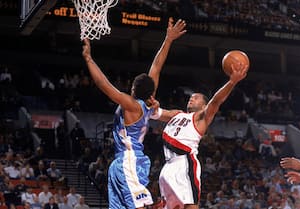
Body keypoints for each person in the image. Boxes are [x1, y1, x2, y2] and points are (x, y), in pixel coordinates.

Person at [82, 19, 186, 209]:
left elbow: (103, 85)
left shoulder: (132, 106)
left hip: (129, 160)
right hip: (120, 163)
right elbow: (156, 68)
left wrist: (89, 59)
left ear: (133, 89)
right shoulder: (147, 104)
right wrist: (168, 40)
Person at [156, 62, 248, 208]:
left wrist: (232, 81)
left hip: (185, 163)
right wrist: (149, 105)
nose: (191, 98)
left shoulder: (201, 117)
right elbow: (156, 112)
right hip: (167, 167)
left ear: (205, 105)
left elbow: (216, 101)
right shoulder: (177, 114)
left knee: (191, 206)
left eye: (196, 97)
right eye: (191, 97)